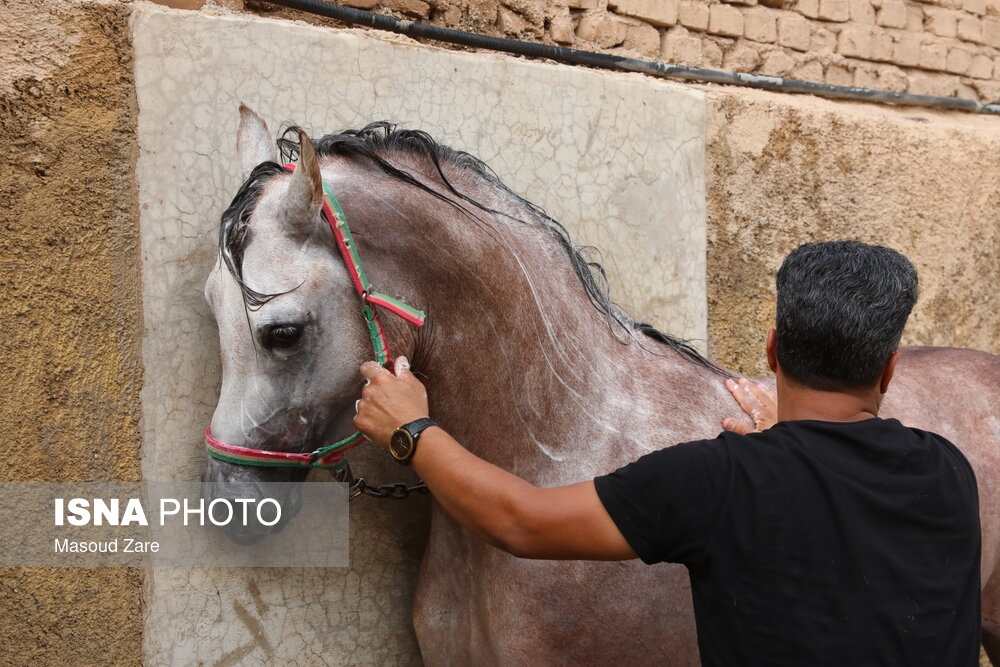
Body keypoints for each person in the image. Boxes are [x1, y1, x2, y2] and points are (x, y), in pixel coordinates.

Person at [354, 240, 981, 666]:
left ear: (771, 351)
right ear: (891, 368)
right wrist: (781, 449)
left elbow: (520, 520)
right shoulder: (948, 471)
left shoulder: (717, 483)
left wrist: (411, 429)